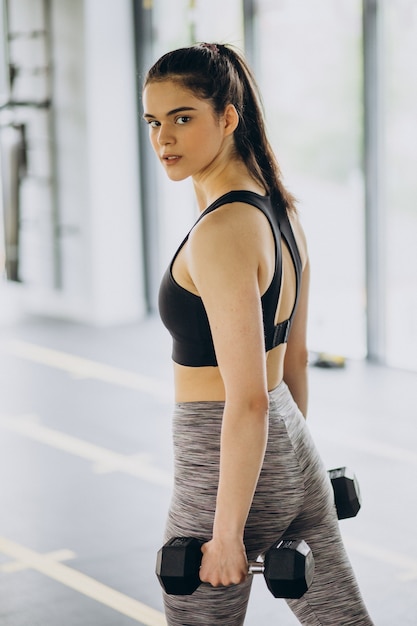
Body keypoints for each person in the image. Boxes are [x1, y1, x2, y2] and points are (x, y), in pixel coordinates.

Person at [142, 42, 374, 626]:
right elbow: (291, 362)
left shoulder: (222, 231)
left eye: (183, 118)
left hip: (222, 466)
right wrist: (286, 467)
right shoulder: (281, 211)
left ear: (227, 118)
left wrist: (226, 536)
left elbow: (244, 398)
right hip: (295, 452)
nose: (163, 138)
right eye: (154, 121)